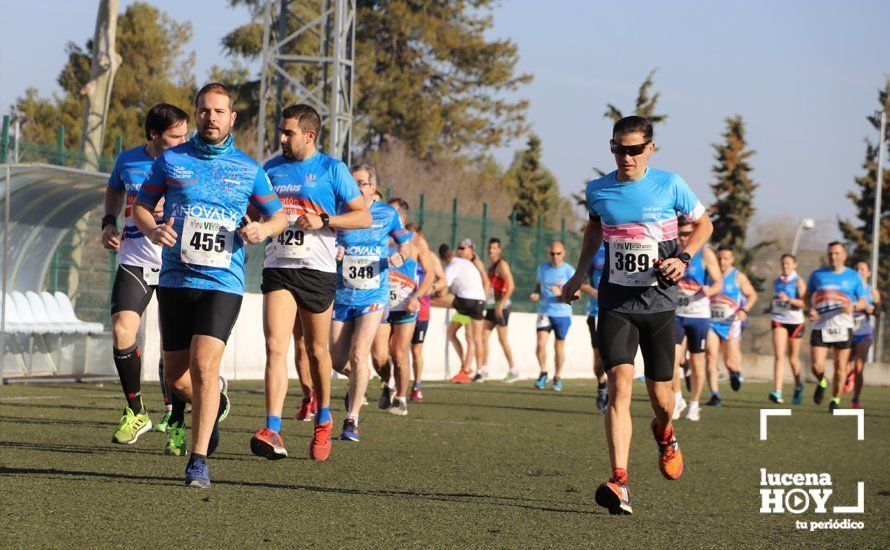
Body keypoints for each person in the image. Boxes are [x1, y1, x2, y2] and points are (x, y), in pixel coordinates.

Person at [134, 82, 287, 487]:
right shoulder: (171, 161)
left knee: (204, 366)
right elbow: (141, 207)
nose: (211, 118)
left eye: (219, 112)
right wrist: (152, 231)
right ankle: (213, 402)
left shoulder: (249, 169)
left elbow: (279, 218)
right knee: (176, 378)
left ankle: (198, 460)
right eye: (204, 111)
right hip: (175, 278)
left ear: (232, 118)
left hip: (223, 280)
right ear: (196, 113)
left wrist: (261, 229)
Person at [561, 115, 713, 515]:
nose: (625, 157)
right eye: (617, 148)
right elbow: (594, 230)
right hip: (616, 304)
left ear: (650, 148)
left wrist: (684, 257)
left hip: (661, 306)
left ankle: (665, 433)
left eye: (632, 149)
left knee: (663, 400)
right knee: (619, 389)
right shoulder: (598, 190)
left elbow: (704, 223)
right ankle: (620, 481)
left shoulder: (670, 184)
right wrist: (579, 273)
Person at [249, 104, 371, 462]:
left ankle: (323, 418)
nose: (281, 138)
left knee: (318, 352)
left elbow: (363, 215)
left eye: (288, 133)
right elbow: (258, 213)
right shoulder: (270, 168)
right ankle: (272, 427)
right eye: (281, 132)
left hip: (317, 271)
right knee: (276, 346)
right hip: (278, 267)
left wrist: (325, 219)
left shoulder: (332, 169)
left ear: (309, 135)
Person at [102, 103, 189, 445]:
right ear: (154, 135)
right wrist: (109, 222)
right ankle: (137, 412)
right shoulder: (128, 161)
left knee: (175, 351)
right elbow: (113, 190)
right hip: (135, 260)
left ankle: (178, 421)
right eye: (175, 136)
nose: (183, 141)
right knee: (122, 331)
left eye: (186, 134)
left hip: (176, 266)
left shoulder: (190, 162)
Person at [324, 166, 411, 442]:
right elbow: (324, 241)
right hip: (342, 295)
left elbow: (405, 246)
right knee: (338, 360)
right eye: (354, 182)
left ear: (373, 188)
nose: (358, 187)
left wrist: (400, 256)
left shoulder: (387, 214)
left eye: (363, 183)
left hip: (373, 295)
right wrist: (333, 250)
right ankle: (360, 380)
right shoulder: (339, 210)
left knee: (360, 354)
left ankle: (352, 419)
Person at [371, 198, 434, 416]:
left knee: (398, 353)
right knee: (379, 355)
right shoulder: (376, 235)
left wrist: (417, 296)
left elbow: (431, 274)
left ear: (403, 218)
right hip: (381, 302)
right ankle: (387, 383)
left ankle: (400, 398)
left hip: (406, 305)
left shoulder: (415, 242)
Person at [805, 242, 868, 411]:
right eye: (831, 253)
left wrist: (853, 306)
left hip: (843, 326)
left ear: (844, 255)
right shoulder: (817, 274)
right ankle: (823, 381)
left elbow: (863, 301)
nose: (833, 257)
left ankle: (835, 400)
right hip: (821, 325)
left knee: (840, 367)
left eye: (837, 253)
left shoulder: (853, 276)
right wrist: (809, 309)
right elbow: (807, 296)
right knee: (816, 366)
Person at [672, 219, 722, 422]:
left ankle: (694, 405)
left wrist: (711, 289)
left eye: (687, 234)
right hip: (676, 313)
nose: (683, 238)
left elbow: (719, 282)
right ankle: (677, 398)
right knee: (672, 360)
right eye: (680, 234)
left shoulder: (705, 254)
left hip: (698, 315)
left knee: (697, 361)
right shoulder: (672, 250)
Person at [704, 246, 757, 404]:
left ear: (732, 259)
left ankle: (735, 372)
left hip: (730, 322)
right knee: (710, 357)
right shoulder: (710, 274)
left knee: (730, 362)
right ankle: (715, 395)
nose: (722, 261)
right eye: (719, 258)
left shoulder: (738, 276)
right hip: (711, 322)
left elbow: (752, 295)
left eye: (726, 258)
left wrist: (744, 310)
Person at [432, 244, 487, 382]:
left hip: (466, 301)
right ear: (453, 252)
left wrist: (430, 291)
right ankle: (477, 370)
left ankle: (466, 369)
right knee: (468, 336)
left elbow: (443, 289)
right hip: (478, 301)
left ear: (441, 258)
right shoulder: (464, 262)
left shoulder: (451, 267)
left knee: (428, 300)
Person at [407, 224, 446, 401]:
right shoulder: (403, 251)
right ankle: (393, 383)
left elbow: (443, 280)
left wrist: (432, 287)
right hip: (402, 306)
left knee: (416, 349)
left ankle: (417, 386)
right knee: (395, 349)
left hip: (422, 307)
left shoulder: (430, 256)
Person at [531, 241, 575, 392]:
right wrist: (536, 292)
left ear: (564, 253)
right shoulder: (542, 268)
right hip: (544, 311)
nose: (555, 256)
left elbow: (578, 294)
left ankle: (557, 376)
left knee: (558, 347)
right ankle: (543, 372)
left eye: (558, 253)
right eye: (552, 253)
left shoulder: (569, 270)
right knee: (540, 344)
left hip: (562, 314)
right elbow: (538, 284)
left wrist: (563, 294)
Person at [769, 254, 807, 405]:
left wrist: (789, 300)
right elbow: (776, 299)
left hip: (795, 321)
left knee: (792, 359)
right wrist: (770, 306)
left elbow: (805, 303)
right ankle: (777, 391)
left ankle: (798, 386)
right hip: (778, 319)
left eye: (788, 264)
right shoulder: (777, 281)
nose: (785, 266)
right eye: (783, 264)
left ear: (795, 265)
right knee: (779, 355)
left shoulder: (799, 281)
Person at [482, 238, 520, 382]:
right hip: (491, 306)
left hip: (501, 308)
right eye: (489, 248)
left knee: (502, 339)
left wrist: (501, 303)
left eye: (494, 248)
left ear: (499, 250)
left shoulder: (501, 265)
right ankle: (484, 369)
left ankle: (513, 369)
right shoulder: (490, 267)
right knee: (483, 337)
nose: (491, 250)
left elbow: (511, 286)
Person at [845, 260, 881, 408]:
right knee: (844, 365)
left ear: (868, 273)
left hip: (864, 333)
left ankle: (856, 399)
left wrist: (872, 310)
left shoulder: (872, 291)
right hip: (847, 331)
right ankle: (848, 377)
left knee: (859, 367)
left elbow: (879, 311)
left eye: (863, 269)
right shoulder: (848, 288)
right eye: (857, 268)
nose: (860, 271)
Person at [456, 239, 490, 381]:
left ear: (470, 249)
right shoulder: (462, 263)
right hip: (464, 305)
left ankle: (478, 369)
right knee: (452, 332)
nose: (460, 251)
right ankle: (465, 365)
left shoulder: (476, 262)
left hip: (476, 304)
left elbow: (486, 282)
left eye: (463, 248)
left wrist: (483, 300)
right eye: (459, 248)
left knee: (474, 337)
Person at [581, 244, 608, 411]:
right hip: (596, 313)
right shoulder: (595, 252)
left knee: (616, 357)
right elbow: (582, 282)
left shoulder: (626, 245)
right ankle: (602, 385)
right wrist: (595, 293)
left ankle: (614, 390)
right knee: (599, 357)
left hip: (620, 313)